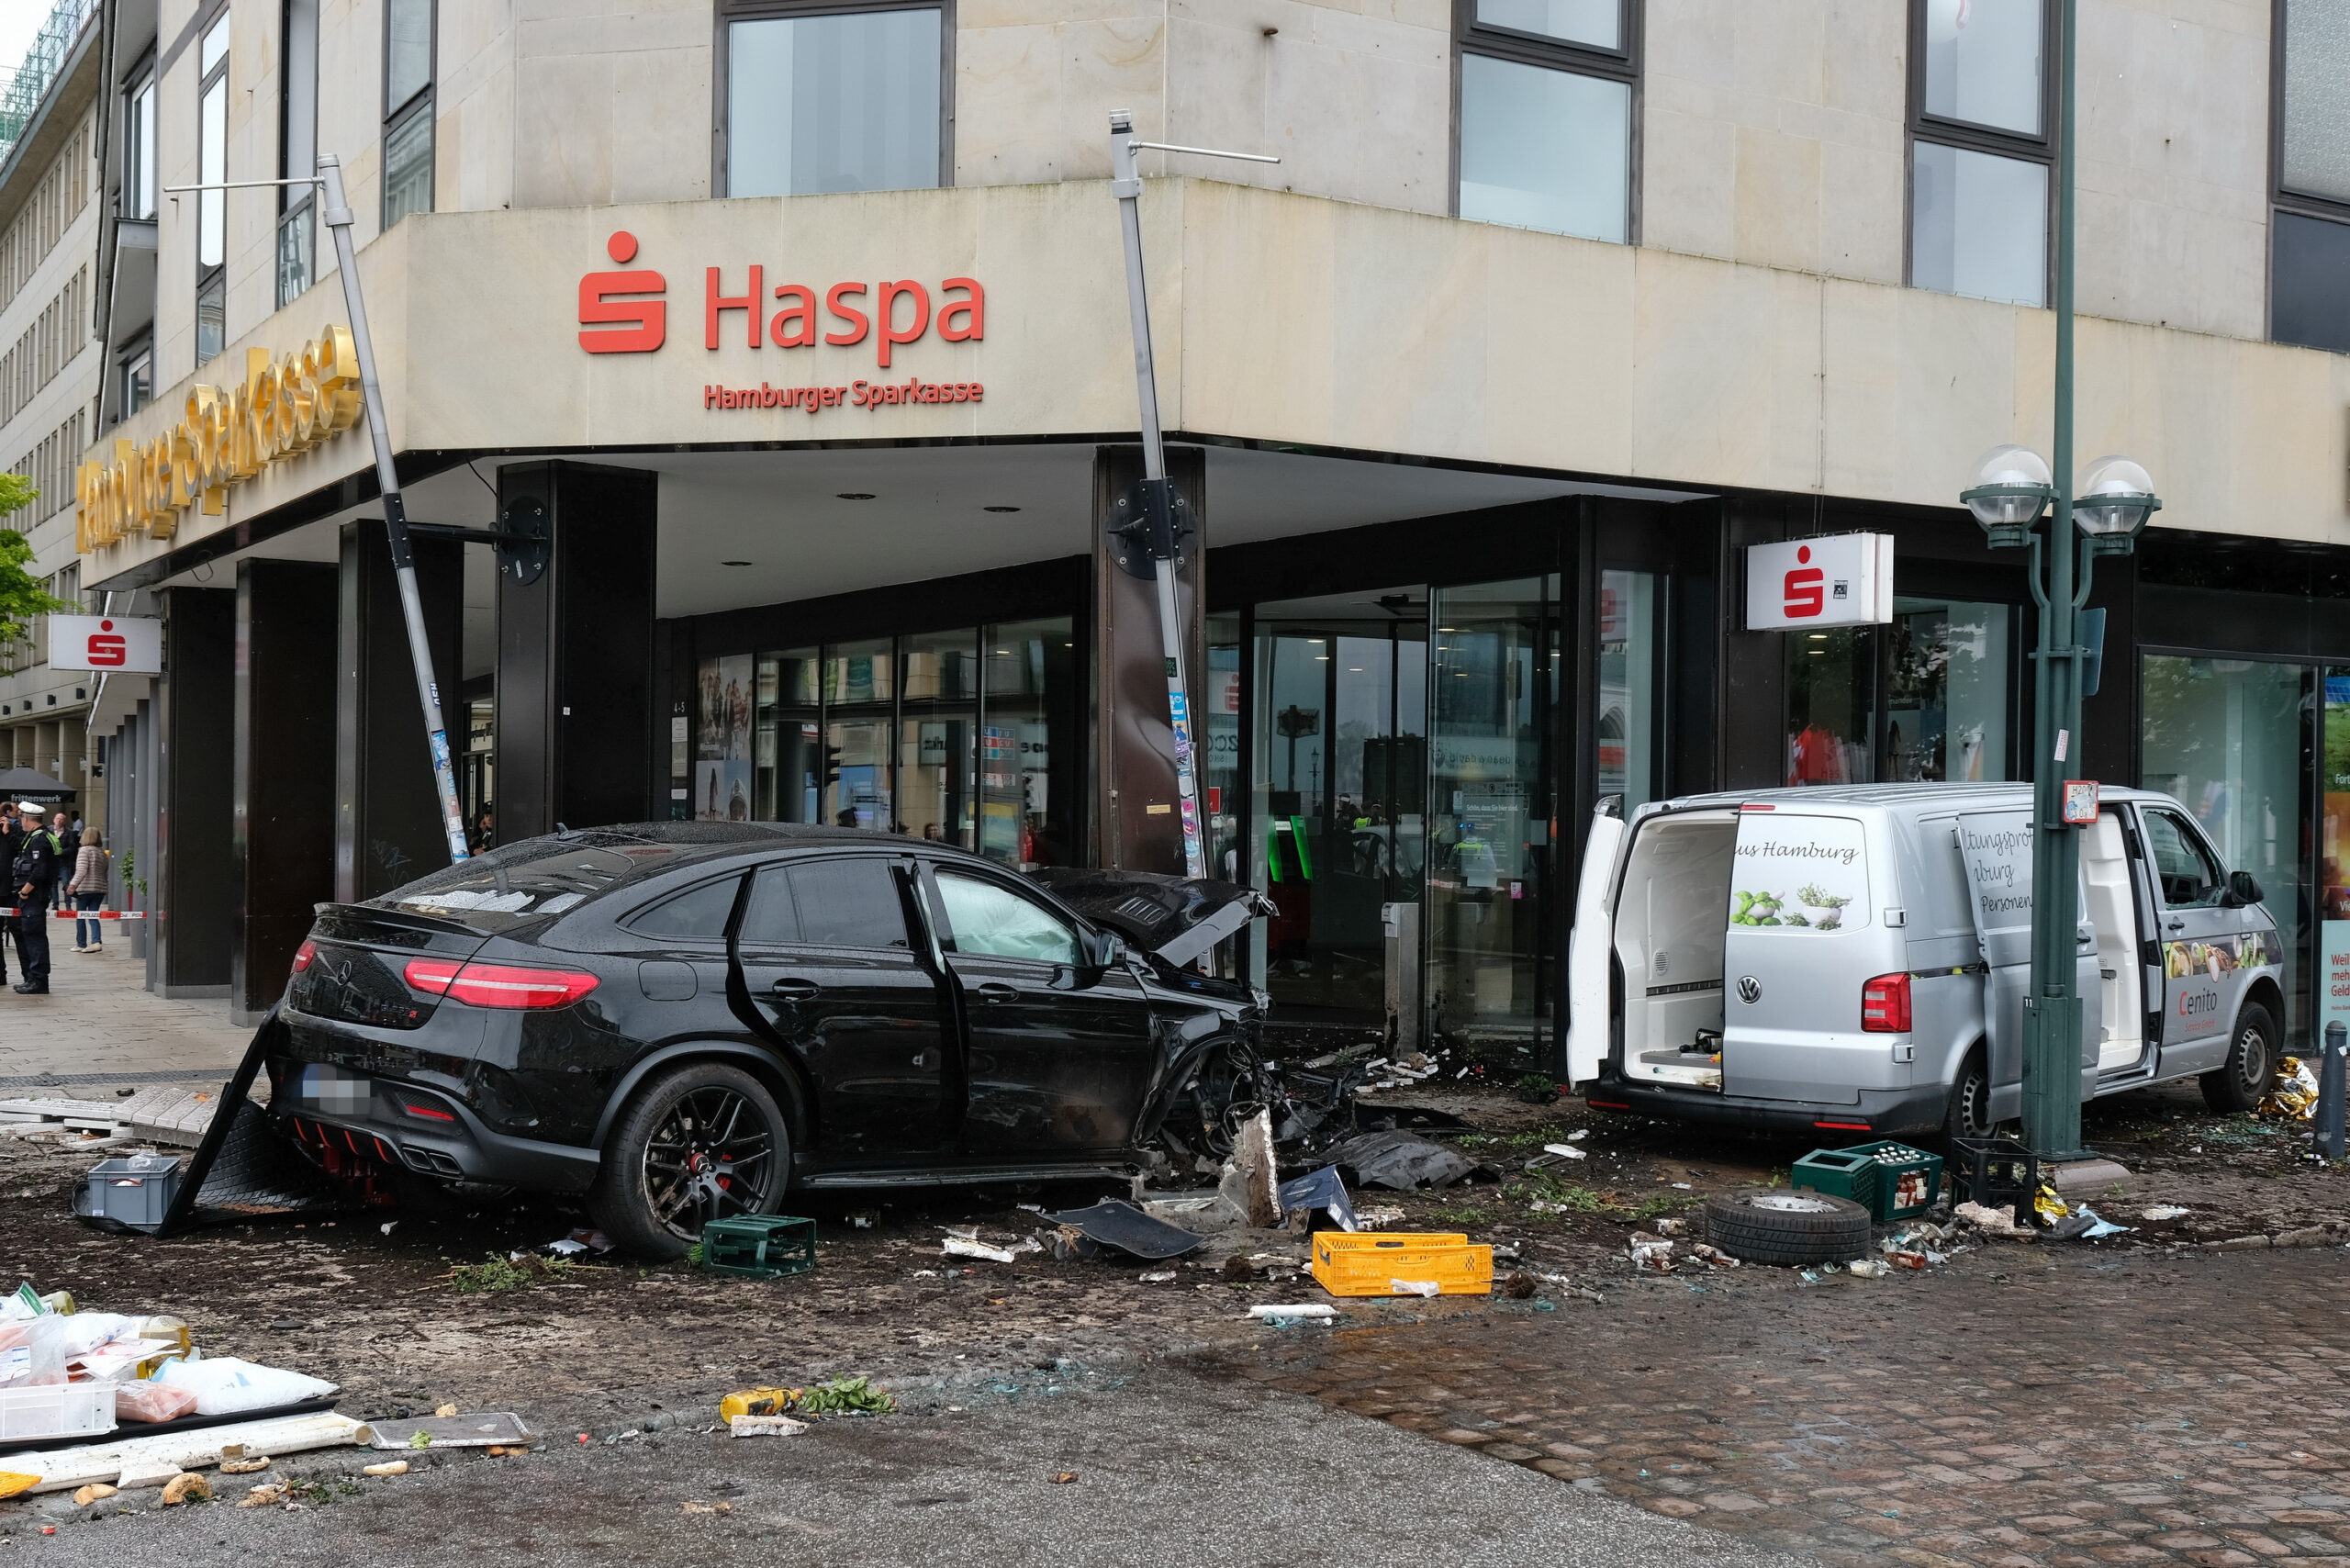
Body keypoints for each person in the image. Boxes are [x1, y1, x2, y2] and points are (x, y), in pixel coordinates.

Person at [11, 803, 62, 994]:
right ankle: (34, 978)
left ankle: (38, 981)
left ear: (26, 819)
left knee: (34, 938)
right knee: (33, 937)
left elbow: (39, 871)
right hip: (36, 896)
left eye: (22, 818)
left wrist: (24, 891)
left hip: (34, 896)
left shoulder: (38, 840)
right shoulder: (40, 837)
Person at [65, 826, 106, 954]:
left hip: (85, 888)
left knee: (81, 916)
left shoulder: (84, 851)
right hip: (100, 888)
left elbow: (82, 870)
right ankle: (96, 941)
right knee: (93, 915)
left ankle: (81, 943)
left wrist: (72, 885)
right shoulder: (102, 853)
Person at [49, 812, 78, 913]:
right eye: (57, 818)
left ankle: (68, 905)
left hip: (64, 862)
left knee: (66, 883)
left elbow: (72, 847)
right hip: (52, 862)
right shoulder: (49, 831)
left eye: (61, 819)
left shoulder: (69, 832)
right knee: (53, 884)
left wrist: (61, 852)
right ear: (54, 820)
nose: (59, 820)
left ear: (64, 821)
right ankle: (55, 904)